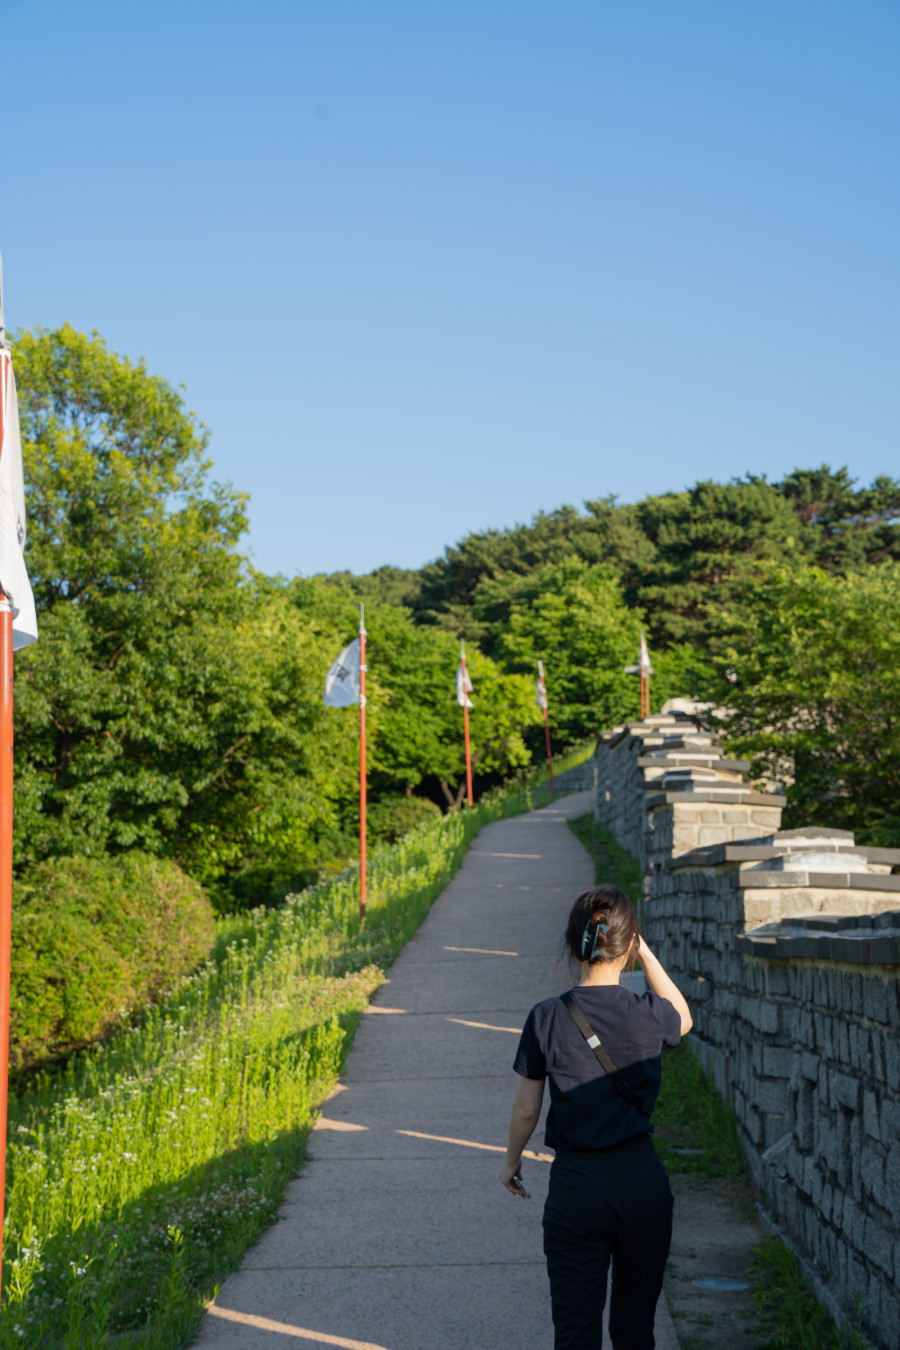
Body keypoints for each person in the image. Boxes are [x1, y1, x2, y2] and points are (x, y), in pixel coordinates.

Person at [499, 884, 692, 1350]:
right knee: (635, 1331)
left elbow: (527, 1108)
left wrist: (511, 1161)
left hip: (577, 1188)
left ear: (572, 943)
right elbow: (684, 1018)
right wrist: (645, 954)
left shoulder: (546, 1017)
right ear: (628, 945)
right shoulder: (649, 1013)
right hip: (641, 1184)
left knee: (576, 1333)